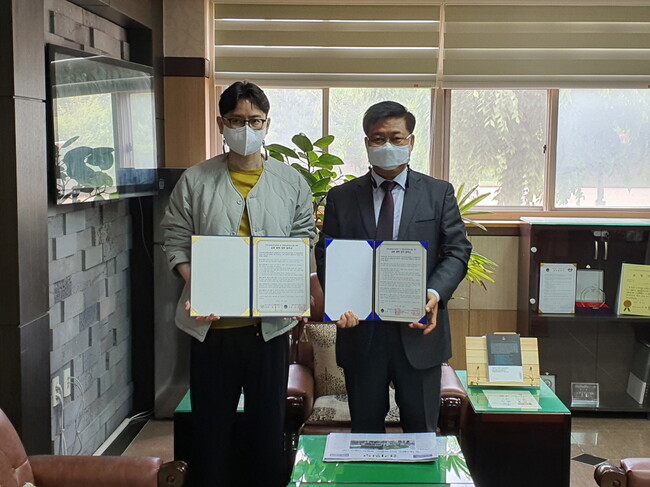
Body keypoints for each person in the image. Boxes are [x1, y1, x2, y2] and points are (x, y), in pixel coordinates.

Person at [161, 81, 315, 487]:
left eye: (255, 121)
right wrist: (197, 284)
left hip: (269, 331)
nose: (246, 129)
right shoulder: (195, 180)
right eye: (235, 120)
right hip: (211, 329)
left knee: (267, 430)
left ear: (267, 124)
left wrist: (297, 291)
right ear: (221, 124)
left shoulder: (291, 182)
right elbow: (175, 239)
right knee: (211, 431)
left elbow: (303, 240)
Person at [315, 100, 471, 433]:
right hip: (361, 335)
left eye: (396, 138)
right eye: (378, 138)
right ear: (367, 143)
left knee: (422, 434)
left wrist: (434, 293)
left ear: (411, 142)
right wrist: (341, 303)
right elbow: (328, 255)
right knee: (365, 436)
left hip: (419, 334)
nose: (387, 145)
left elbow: (457, 251)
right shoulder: (341, 197)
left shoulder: (438, 193)